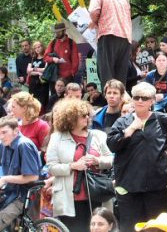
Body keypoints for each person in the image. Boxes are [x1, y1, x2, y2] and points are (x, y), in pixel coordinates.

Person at [107, 83, 167, 231]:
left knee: (158, 228)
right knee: (130, 228)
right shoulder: (122, 122)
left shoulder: (162, 120)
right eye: (136, 97)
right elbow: (112, 145)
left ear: (152, 101)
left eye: (144, 98)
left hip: (159, 186)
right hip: (129, 187)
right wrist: (131, 129)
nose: (140, 101)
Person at [46, 98, 113, 232]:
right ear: (70, 118)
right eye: (83, 115)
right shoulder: (57, 137)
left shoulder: (97, 135)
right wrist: (72, 166)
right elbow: (51, 167)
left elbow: (111, 159)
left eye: (88, 114)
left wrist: (97, 161)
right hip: (69, 197)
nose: (87, 117)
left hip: (96, 193)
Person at [0, 116, 42, 230]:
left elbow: (33, 176)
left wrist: (5, 179)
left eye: (4, 132)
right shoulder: (4, 145)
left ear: (16, 130)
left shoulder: (23, 145)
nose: (1, 136)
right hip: (8, 193)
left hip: (22, 196)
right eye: (0, 133)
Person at [89, 0, 132, 85]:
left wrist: (93, 21)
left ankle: (110, 100)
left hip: (108, 33)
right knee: (120, 76)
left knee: (105, 73)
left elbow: (94, 11)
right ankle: (120, 99)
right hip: (126, 37)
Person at [43, 22, 79, 90]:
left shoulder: (71, 43)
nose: (57, 33)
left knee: (68, 97)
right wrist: (53, 59)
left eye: (59, 32)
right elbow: (45, 57)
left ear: (64, 31)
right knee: (55, 98)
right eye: (56, 32)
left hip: (67, 77)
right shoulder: (53, 42)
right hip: (54, 76)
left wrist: (71, 73)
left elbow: (75, 61)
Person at [27, 41, 49, 111]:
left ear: (42, 47)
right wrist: (38, 73)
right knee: (32, 102)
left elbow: (45, 69)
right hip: (33, 83)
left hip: (43, 83)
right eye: (35, 48)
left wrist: (34, 69)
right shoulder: (32, 58)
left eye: (39, 47)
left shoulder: (46, 57)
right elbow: (28, 71)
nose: (37, 49)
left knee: (43, 102)